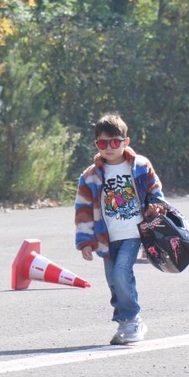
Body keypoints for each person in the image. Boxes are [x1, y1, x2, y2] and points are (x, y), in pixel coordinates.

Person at [74, 114, 164, 345]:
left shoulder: (140, 166)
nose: (109, 148)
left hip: (134, 232)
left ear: (126, 141)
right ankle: (126, 322)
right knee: (114, 280)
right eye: (102, 143)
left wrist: (156, 209)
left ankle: (132, 319)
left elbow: (156, 194)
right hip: (106, 237)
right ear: (96, 145)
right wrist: (85, 241)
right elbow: (83, 209)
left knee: (123, 271)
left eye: (114, 142)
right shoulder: (90, 176)